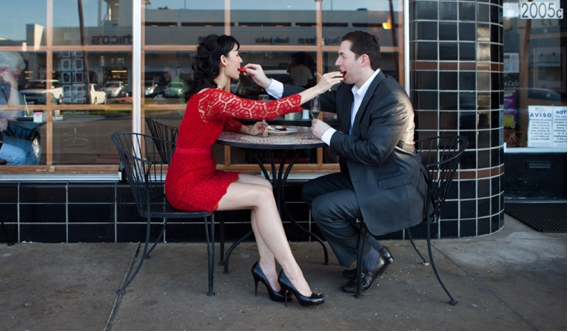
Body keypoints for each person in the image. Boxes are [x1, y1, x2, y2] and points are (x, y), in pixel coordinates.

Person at [165, 34, 342, 306]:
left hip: (200, 174)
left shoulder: (214, 97)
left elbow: (222, 121)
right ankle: (294, 275)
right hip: (187, 185)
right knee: (261, 197)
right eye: (237, 54)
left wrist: (247, 128)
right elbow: (266, 109)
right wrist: (317, 89)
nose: (241, 60)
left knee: (264, 186)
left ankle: (267, 268)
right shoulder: (212, 97)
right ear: (223, 60)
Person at [249, 30, 427, 294]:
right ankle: (373, 251)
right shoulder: (349, 90)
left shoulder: (392, 98)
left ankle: (369, 259)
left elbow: (375, 152)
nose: (337, 63)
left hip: (393, 187)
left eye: (343, 56)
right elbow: (309, 96)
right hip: (366, 178)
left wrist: (329, 134)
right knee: (310, 191)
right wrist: (266, 83)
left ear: (363, 60)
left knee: (324, 207)